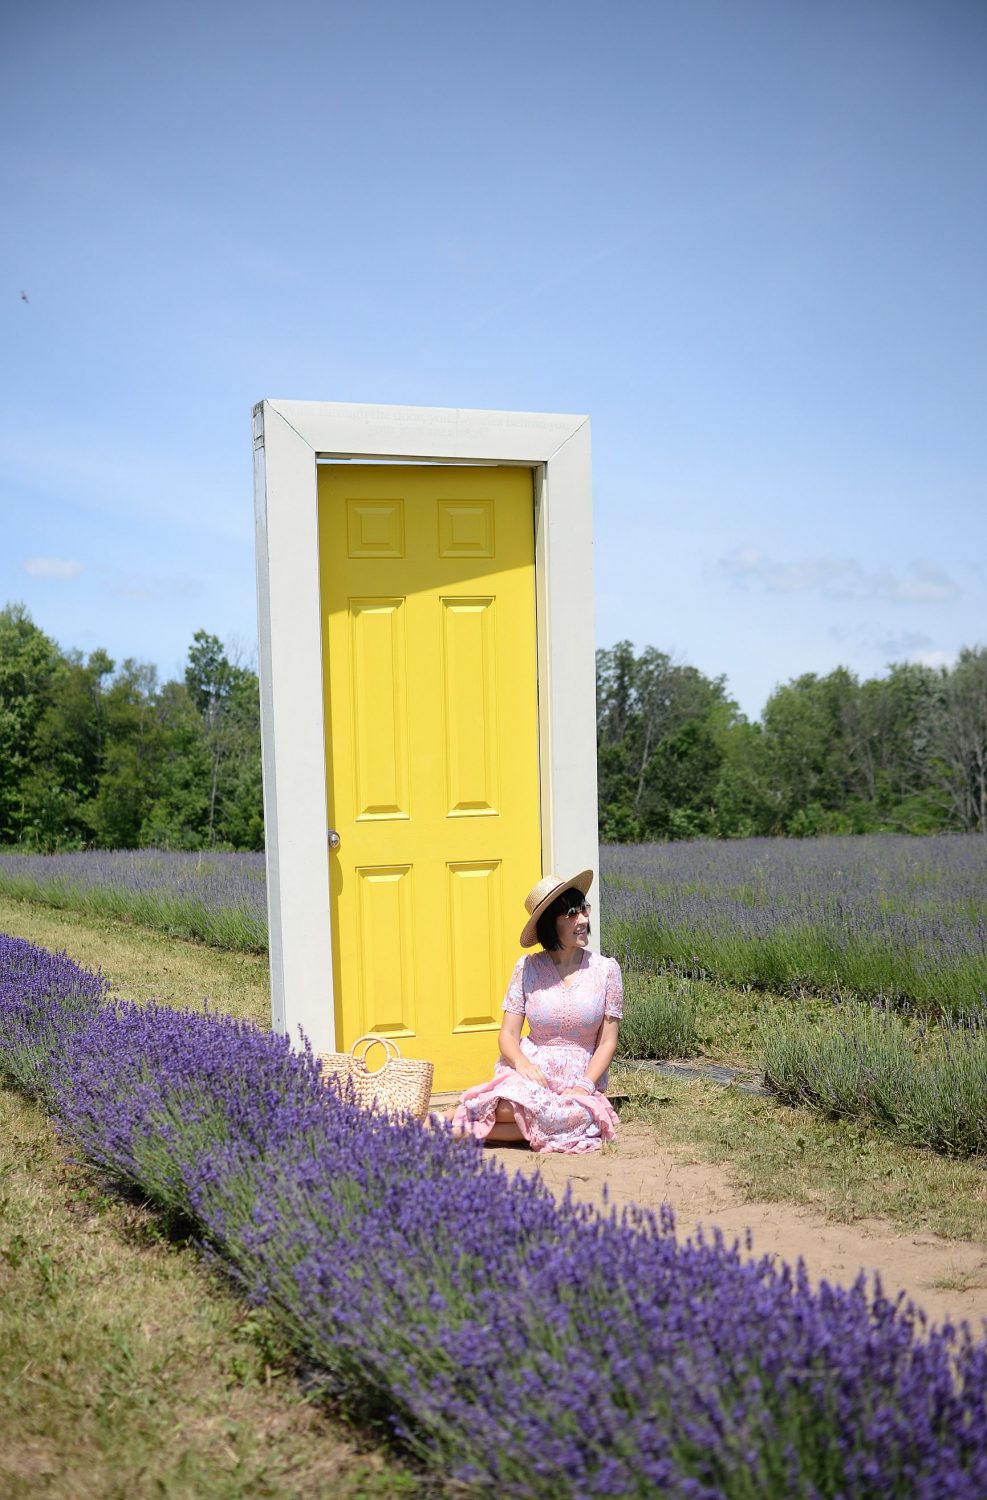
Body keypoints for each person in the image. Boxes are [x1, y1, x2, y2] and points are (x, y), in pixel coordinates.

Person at [450, 870, 622, 1154]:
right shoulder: (527, 968)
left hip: (577, 1081)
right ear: (549, 924)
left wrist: (585, 1086)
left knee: (575, 1114)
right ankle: (459, 1126)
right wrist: (522, 1064)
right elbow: (507, 1034)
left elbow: (607, 1042)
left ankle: (452, 1129)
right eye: (571, 914)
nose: (583, 920)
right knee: (507, 1105)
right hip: (532, 1074)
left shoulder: (606, 971)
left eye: (584, 910)